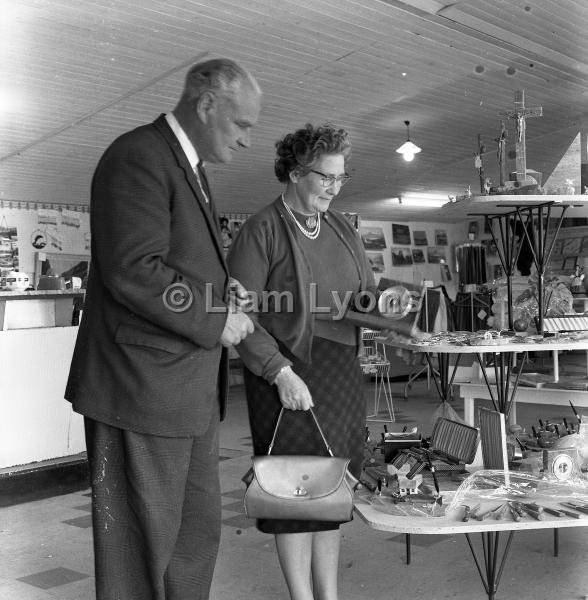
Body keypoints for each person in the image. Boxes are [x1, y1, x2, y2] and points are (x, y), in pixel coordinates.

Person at [65, 58, 261, 600]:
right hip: (140, 388)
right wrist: (217, 317)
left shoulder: (188, 168)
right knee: (141, 550)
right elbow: (134, 268)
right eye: (241, 125)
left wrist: (223, 293)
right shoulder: (138, 157)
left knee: (193, 538)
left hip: (183, 391)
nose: (246, 141)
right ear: (206, 105)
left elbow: (174, 265)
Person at [227, 123, 375, 600]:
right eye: (325, 177)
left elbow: (364, 294)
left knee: (332, 490)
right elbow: (240, 315)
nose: (334, 187)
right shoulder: (260, 231)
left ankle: (328, 595)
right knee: (295, 491)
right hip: (286, 373)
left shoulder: (341, 227)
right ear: (294, 173)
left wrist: (394, 312)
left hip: (338, 372)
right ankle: (302, 597)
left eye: (340, 177)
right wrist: (280, 372)